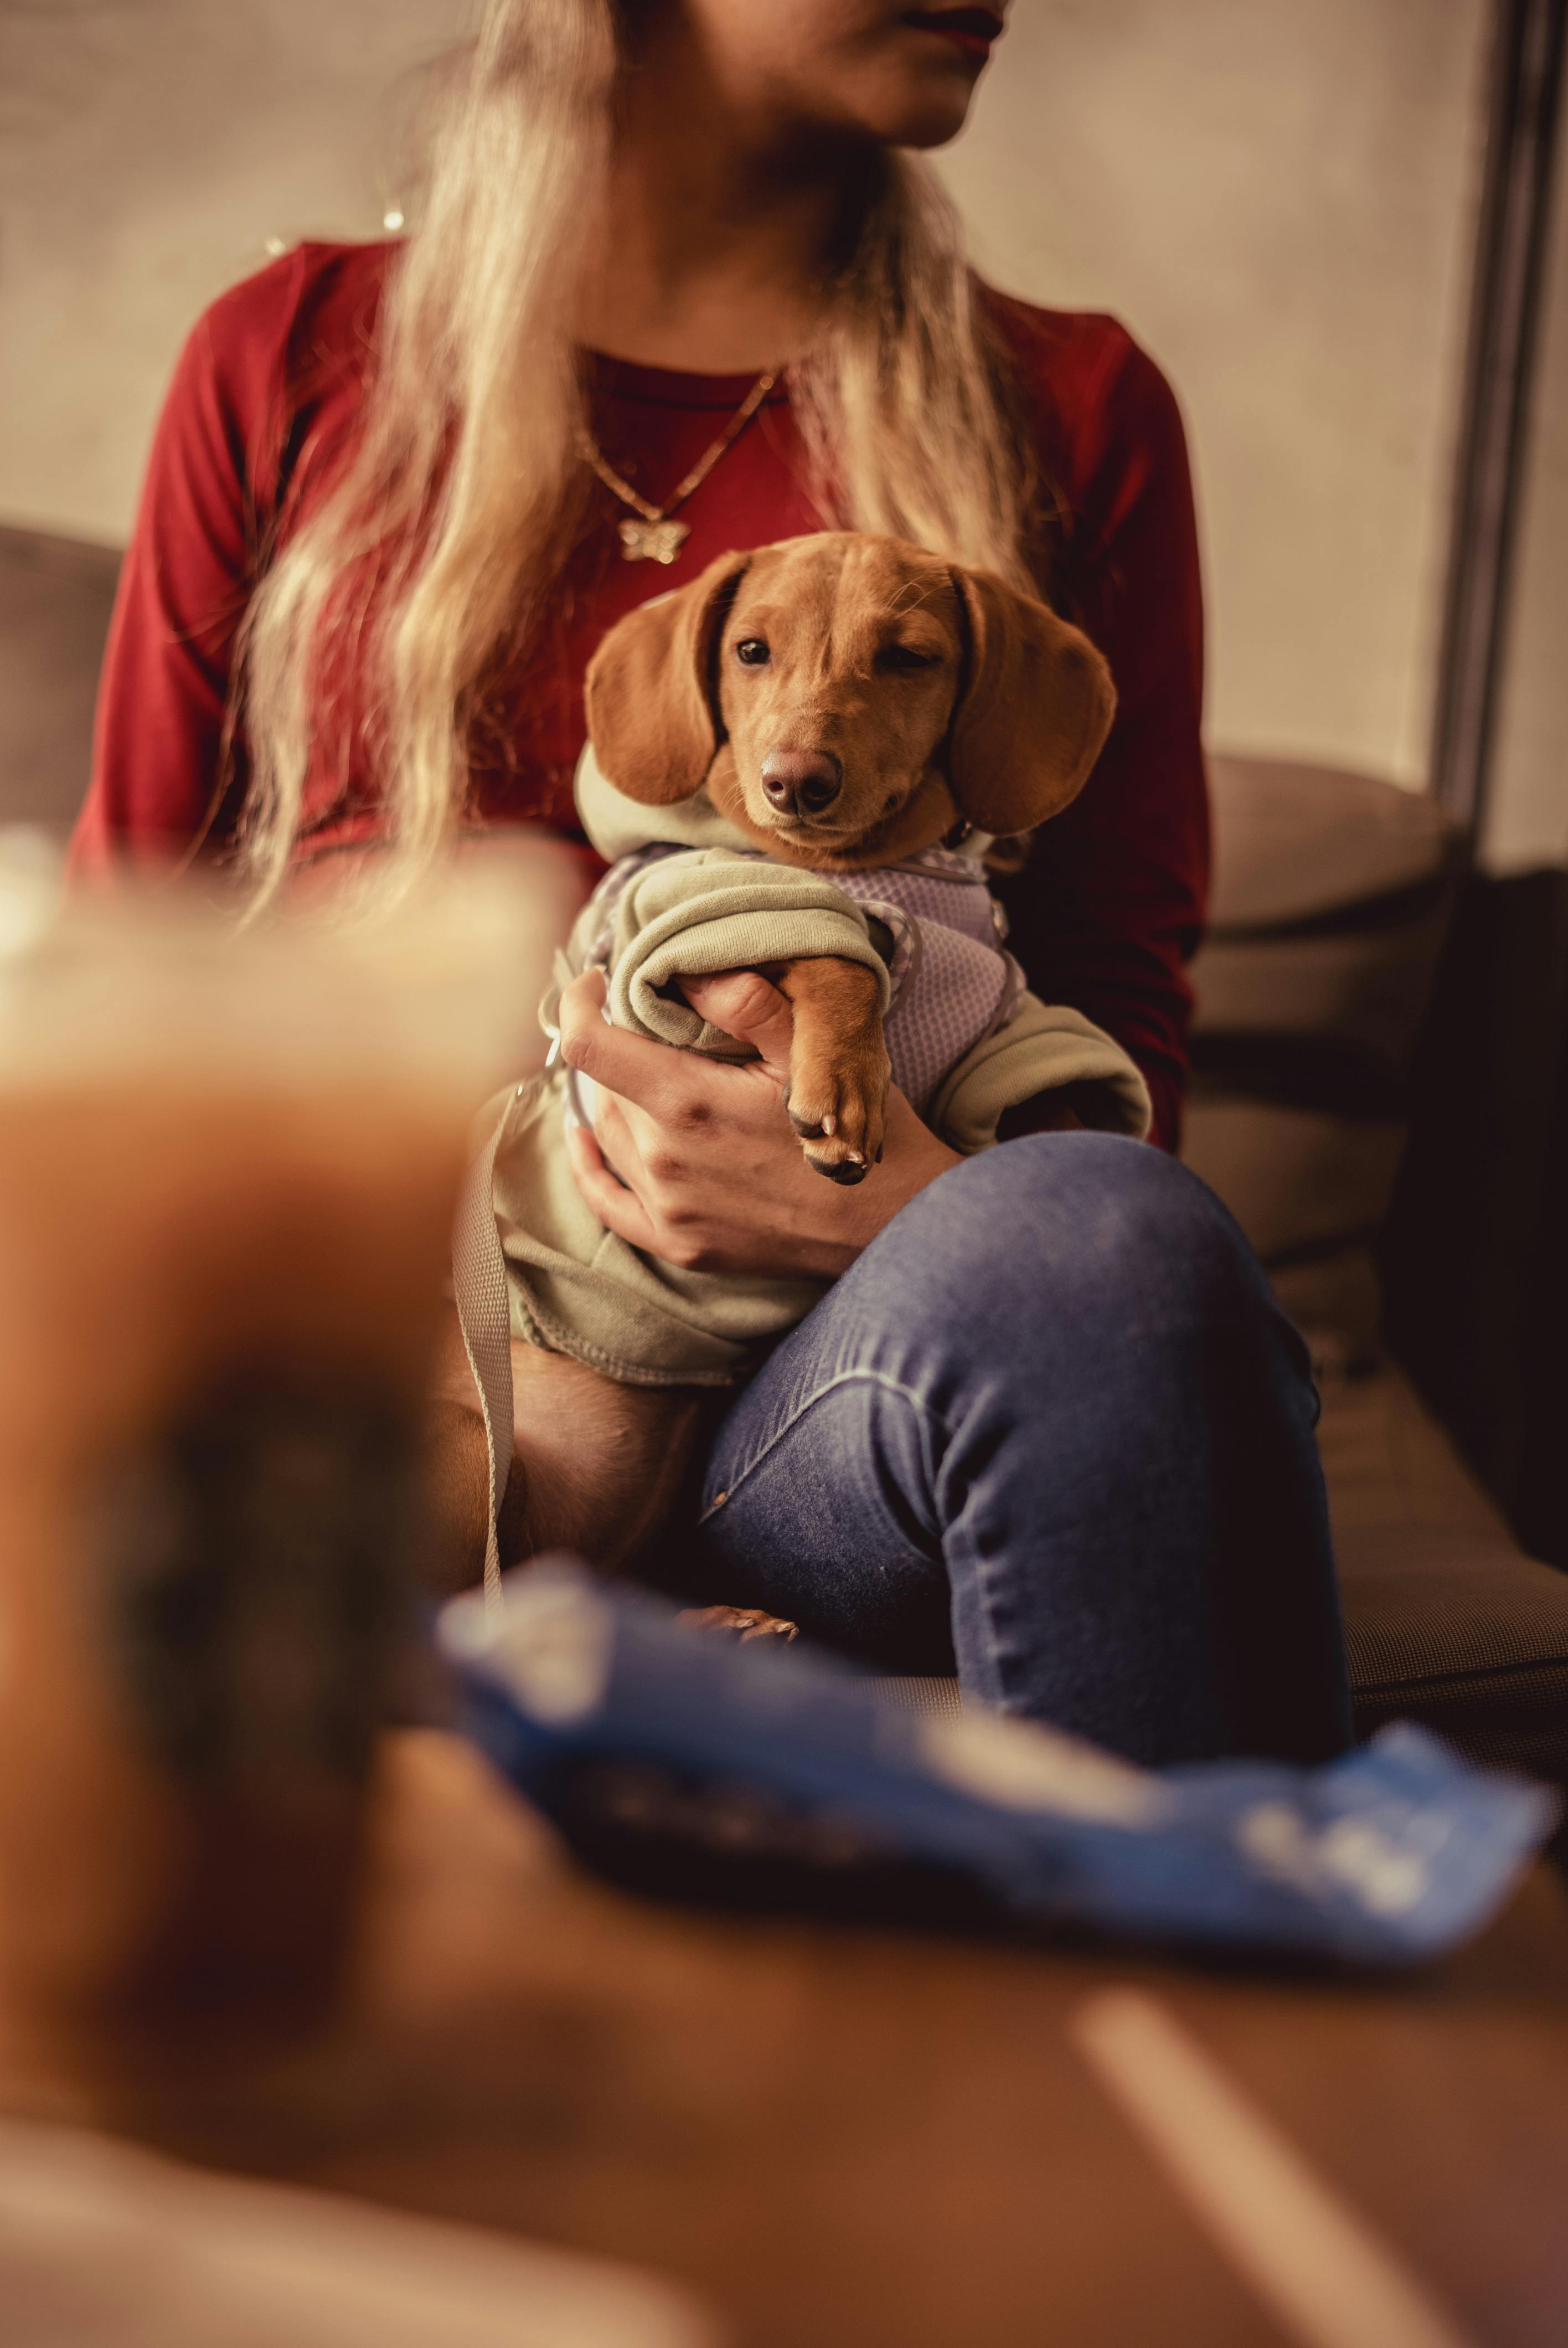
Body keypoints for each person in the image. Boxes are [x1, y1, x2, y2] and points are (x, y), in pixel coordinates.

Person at [73, 0, 1351, 1764]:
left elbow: (1120, 1011)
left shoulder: (1072, 405)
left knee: (1113, 1232)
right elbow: (118, 971)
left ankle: (1206, 1986)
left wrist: (883, 1208)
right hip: (405, 1375)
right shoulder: (290, 356)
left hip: (828, 1396)